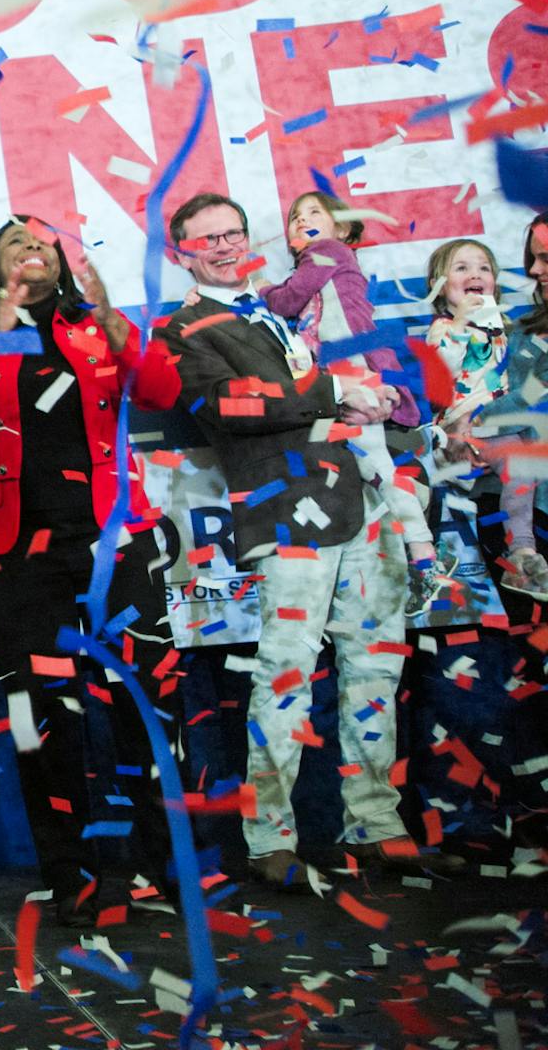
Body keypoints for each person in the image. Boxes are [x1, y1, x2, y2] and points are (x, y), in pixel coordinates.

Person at [151, 192, 459, 888]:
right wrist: (334, 393)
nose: (226, 246)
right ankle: (269, 838)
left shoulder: (281, 305)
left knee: (376, 665)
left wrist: (383, 396)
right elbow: (225, 407)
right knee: (286, 673)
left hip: (366, 498)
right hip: (287, 512)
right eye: (209, 240)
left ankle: (376, 823)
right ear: (181, 254)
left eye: (234, 232)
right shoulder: (185, 329)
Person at [0, 216, 186, 923]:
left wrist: (114, 320)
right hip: (17, 559)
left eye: (45, 244)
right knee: (43, 719)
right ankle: (74, 876)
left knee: (144, 706)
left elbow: (161, 390)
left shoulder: (98, 327)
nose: (34, 251)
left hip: (115, 545)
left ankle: (167, 865)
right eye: (15, 244)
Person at [263, 192, 440, 614]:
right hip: (341, 375)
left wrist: (259, 290)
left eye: (314, 214)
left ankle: (423, 550)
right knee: (368, 464)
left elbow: (285, 300)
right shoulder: (325, 263)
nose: (302, 221)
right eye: (295, 218)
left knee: (373, 463)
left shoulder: (327, 252)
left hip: (352, 370)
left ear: (341, 228)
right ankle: (419, 530)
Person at [425, 237, 547, 598]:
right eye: (461, 268)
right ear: (439, 286)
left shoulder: (506, 332)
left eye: (484, 268)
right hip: (458, 432)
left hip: (498, 435)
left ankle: (522, 561)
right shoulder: (443, 329)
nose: (475, 274)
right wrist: (460, 327)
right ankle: (523, 551)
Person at [465, 214, 548, 603]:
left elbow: (530, 397)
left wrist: (478, 422)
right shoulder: (517, 329)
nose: (534, 270)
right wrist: (457, 435)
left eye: (546, 258)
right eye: (533, 258)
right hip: (505, 501)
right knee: (528, 642)